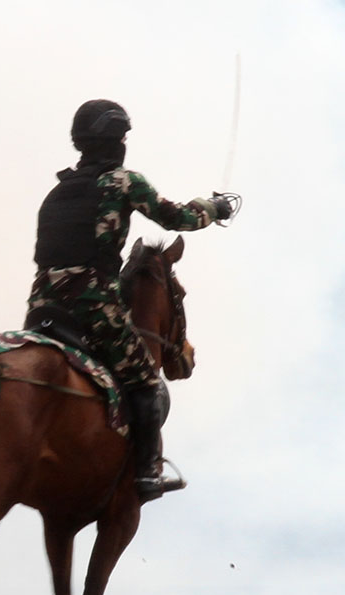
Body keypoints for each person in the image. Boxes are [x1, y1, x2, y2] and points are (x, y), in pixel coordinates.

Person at [27, 99, 233, 500]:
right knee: (144, 382)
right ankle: (146, 474)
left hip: (41, 307)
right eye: (122, 136)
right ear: (114, 141)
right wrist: (213, 207)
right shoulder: (123, 182)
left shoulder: (59, 191)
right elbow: (176, 218)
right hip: (93, 306)